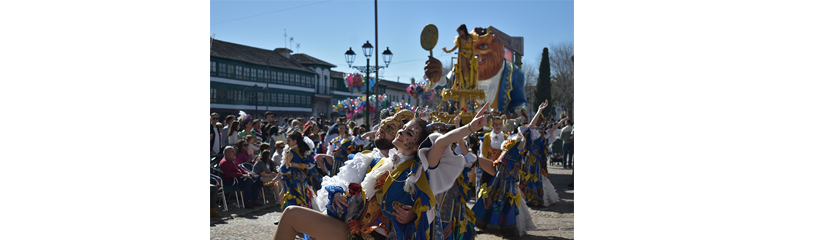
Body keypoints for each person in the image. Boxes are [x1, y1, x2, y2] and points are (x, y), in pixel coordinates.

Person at [273, 104, 490, 240]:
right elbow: (355, 187)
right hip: (353, 229)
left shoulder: (419, 169)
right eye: (402, 129)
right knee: (292, 215)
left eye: (408, 132)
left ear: (417, 147)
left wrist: (470, 127)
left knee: (292, 214)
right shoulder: (378, 161)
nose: (402, 132)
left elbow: (441, 143)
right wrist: (339, 194)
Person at [279, 131, 316, 209]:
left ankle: (289, 216)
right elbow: (308, 164)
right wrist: (297, 165)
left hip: (292, 178)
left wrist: (276, 178)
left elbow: (284, 167)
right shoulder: (302, 150)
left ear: (295, 141)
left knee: (288, 196)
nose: (287, 143)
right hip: (302, 176)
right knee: (301, 196)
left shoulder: (290, 152)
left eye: (289, 141)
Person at [442, 24, 477, 90]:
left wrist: (486, 35)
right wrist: (448, 51)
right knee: (464, 68)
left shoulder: (471, 36)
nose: (459, 33)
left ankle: (471, 82)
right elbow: (455, 47)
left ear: (463, 30)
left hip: (469, 54)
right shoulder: (459, 39)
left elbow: (479, 38)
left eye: (459, 31)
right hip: (462, 54)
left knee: (470, 68)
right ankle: (466, 83)